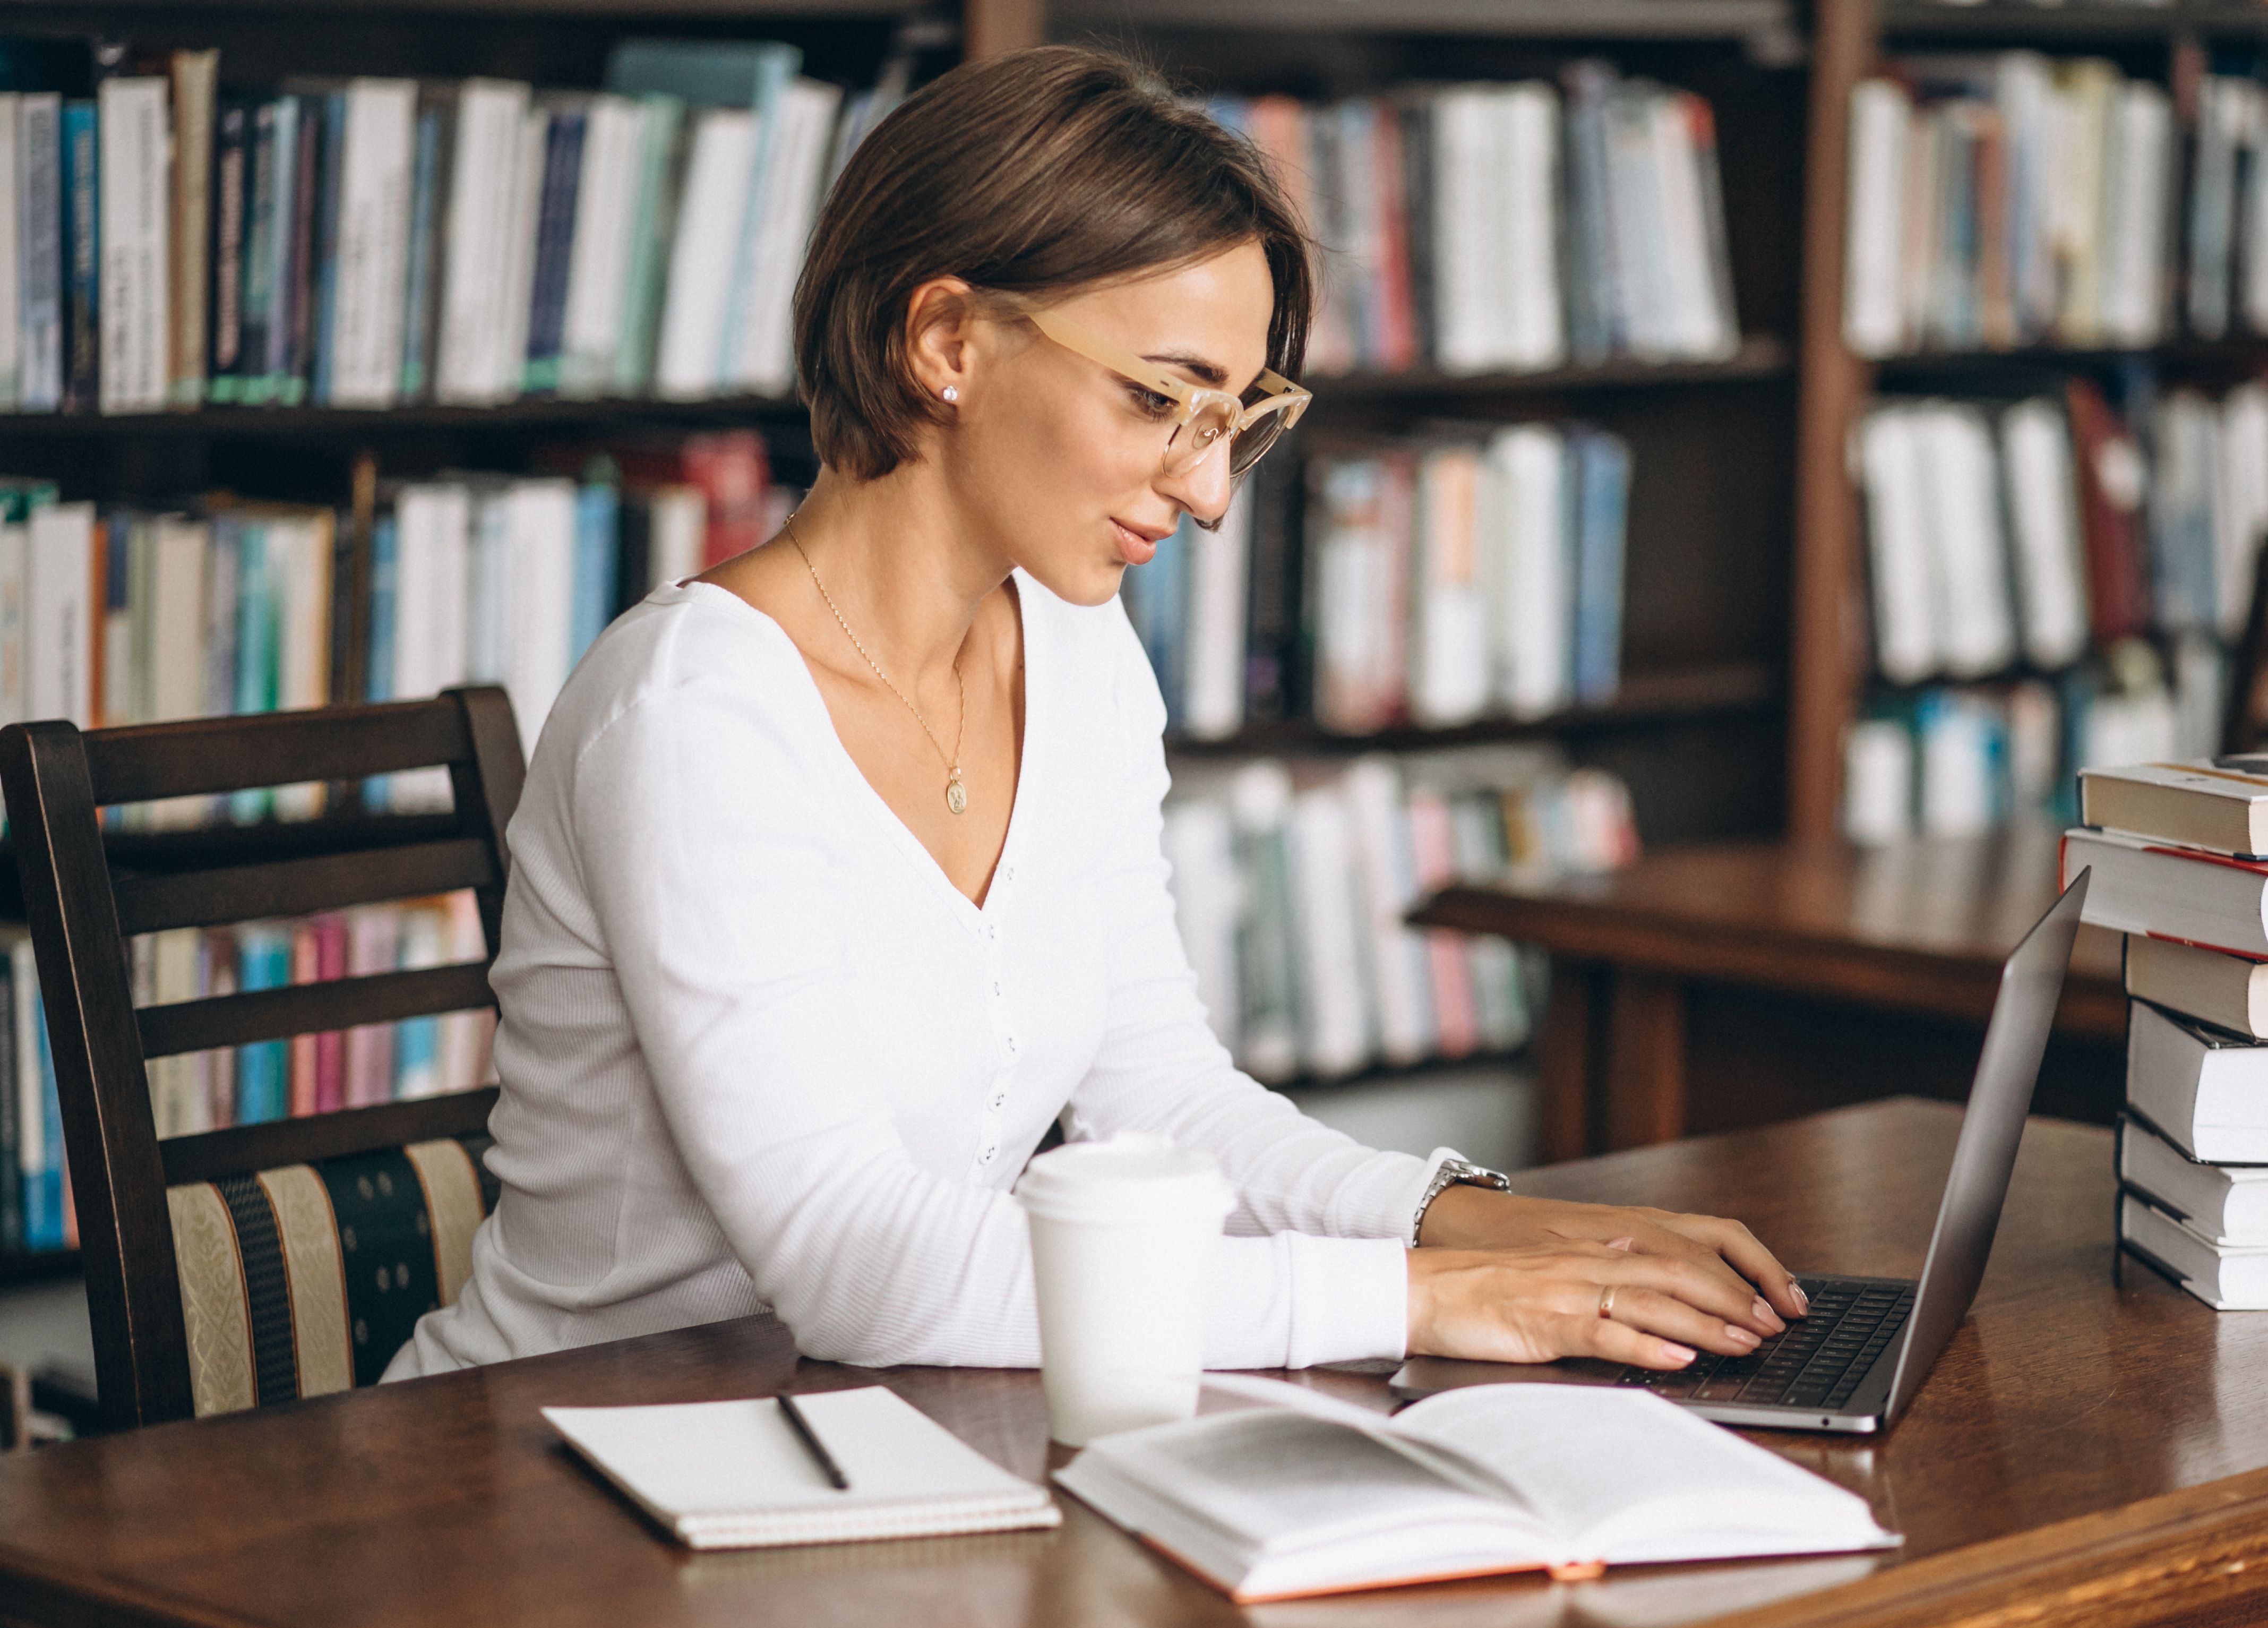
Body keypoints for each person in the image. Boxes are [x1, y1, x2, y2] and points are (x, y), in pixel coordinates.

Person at [389, 45, 1805, 1384]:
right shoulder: (694, 715)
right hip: (547, 1462)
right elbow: (858, 1263)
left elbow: (1160, 1100)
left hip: (850, 1441)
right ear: (945, 340)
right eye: (1159, 400)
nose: (1208, 493)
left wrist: (1485, 1226)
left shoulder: (1078, 648)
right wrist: (1422, 1302)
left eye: (1237, 417)